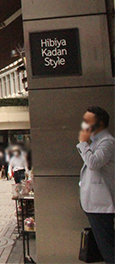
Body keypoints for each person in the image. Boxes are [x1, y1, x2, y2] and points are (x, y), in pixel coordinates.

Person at [76, 106, 115, 264]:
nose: (84, 126)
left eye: (87, 121)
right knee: (103, 245)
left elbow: (93, 163)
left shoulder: (108, 142)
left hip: (101, 205)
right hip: (93, 204)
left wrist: (82, 143)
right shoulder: (96, 142)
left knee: (108, 248)